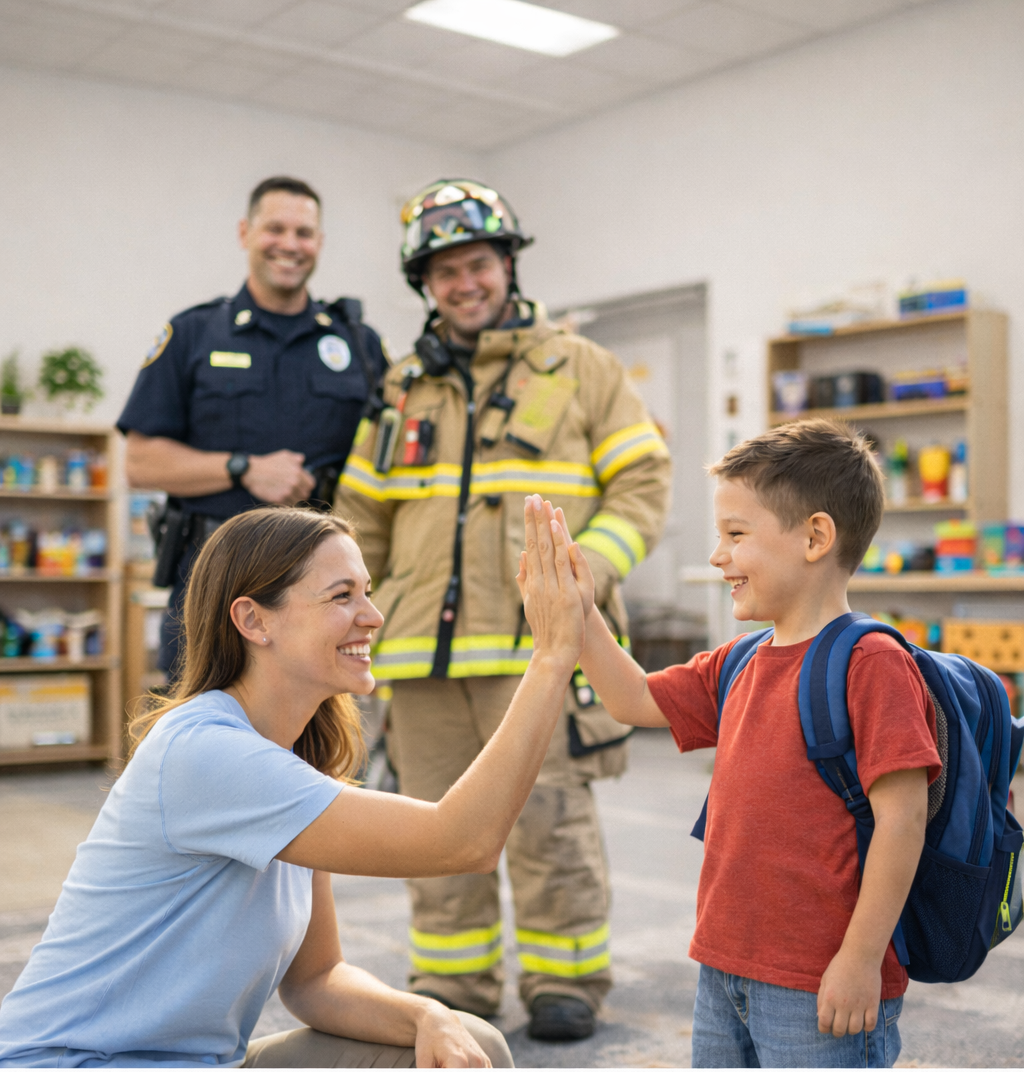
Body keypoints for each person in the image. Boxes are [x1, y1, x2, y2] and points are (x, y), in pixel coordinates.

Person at [0, 497, 585, 1068]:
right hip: (77, 1061)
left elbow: (316, 980)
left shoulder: (288, 765)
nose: (373, 617)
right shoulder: (206, 754)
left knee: (470, 1042)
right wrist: (551, 658)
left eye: (368, 593)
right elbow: (463, 841)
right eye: (341, 596)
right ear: (253, 620)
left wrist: (426, 1015)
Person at [335, 179, 671, 1040]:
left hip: (542, 648)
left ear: (507, 264)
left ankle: (567, 980)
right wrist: (343, 614)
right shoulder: (400, 388)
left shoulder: (584, 367)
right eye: (444, 272)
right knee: (431, 828)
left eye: (477, 263)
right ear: (425, 285)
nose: (464, 283)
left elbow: (642, 483)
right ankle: (455, 980)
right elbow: (360, 517)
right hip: (418, 655)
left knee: (550, 819)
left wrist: (582, 575)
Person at [559, 419, 942, 1068]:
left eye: (736, 536)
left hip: (819, 981)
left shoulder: (870, 662)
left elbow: (903, 822)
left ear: (816, 537)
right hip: (723, 968)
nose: (717, 557)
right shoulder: (738, 662)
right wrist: (579, 606)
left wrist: (858, 960)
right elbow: (634, 699)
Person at [118, 175, 388, 675]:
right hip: (217, 583)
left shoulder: (360, 346)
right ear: (245, 233)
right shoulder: (193, 333)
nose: (289, 244)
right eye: (275, 228)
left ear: (320, 244)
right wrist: (243, 469)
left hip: (325, 589)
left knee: (320, 746)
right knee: (205, 733)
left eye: (304, 233)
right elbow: (139, 461)